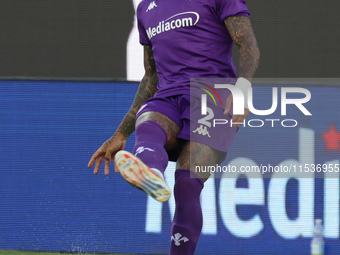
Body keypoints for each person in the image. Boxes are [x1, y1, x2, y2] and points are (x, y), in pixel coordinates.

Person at [88, 0, 260, 254]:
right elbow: (151, 76)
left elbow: (248, 43)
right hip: (168, 96)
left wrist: (243, 87)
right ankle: (150, 172)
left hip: (213, 98)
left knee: (187, 185)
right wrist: (121, 133)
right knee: (149, 119)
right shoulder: (146, 9)